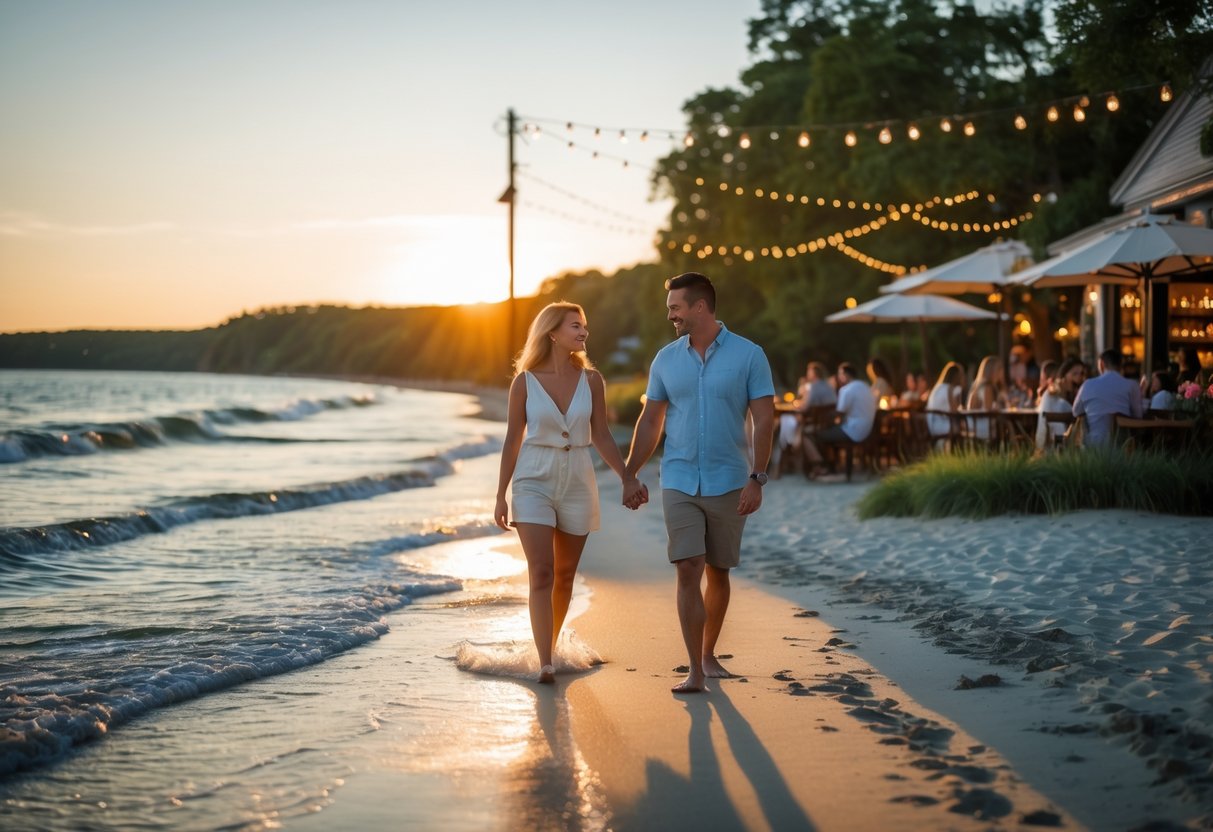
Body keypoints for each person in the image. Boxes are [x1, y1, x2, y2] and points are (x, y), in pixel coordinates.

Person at [623, 272, 775, 694]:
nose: (670, 314)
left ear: (700, 308)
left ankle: (708, 654)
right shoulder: (665, 360)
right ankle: (694, 668)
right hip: (679, 478)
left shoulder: (749, 355)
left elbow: (764, 418)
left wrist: (757, 478)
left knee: (718, 570)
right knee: (688, 568)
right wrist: (629, 472)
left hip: (730, 479)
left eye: (675, 307)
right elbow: (651, 420)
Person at [495, 302, 645, 684]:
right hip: (533, 478)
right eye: (575, 326)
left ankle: (553, 643)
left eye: (585, 327)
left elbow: (602, 435)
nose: (583, 333)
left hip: (578, 478)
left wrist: (628, 477)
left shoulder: (592, 381)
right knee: (541, 572)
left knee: (564, 575)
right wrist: (501, 494)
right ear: (552, 333)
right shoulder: (524, 382)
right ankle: (545, 661)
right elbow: (513, 439)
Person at [802, 362, 877, 476]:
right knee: (826, 431)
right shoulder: (865, 386)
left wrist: (824, 416)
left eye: (840, 374)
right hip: (869, 429)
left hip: (852, 430)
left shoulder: (846, 390)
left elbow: (839, 413)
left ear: (845, 375)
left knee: (817, 434)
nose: (839, 378)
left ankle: (824, 465)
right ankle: (831, 465)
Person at [1072, 348, 1144, 446]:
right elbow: (1138, 416)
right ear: (1120, 365)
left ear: (1101, 364)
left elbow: (1076, 412)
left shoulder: (1087, 384)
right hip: (1123, 446)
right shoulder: (1132, 385)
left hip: (1092, 444)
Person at [965, 355, 1005, 441]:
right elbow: (988, 410)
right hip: (981, 426)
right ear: (993, 371)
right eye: (999, 369)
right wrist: (999, 407)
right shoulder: (987, 386)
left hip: (973, 424)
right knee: (1007, 424)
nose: (1002, 372)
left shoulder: (977, 384)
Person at [925, 361, 965, 442]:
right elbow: (955, 412)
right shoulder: (952, 389)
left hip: (932, 426)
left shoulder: (937, 388)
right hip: (945, 426)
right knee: (964, 427)